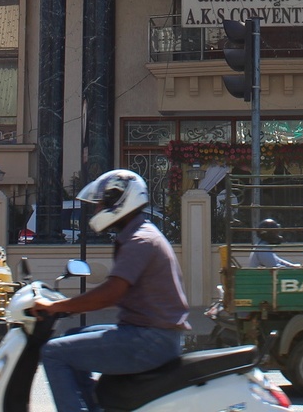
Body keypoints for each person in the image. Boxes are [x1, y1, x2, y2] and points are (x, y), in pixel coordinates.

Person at [31, 170, 190, 412]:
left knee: (53, 353)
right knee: (70, 336)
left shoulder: (140, 240)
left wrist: (57, 306)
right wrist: (66, 306)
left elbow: (111, 292)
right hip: (149, 334)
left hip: (149, 340)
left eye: (101, 204)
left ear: (120, 201)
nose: (97, 211)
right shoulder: (139, 234)